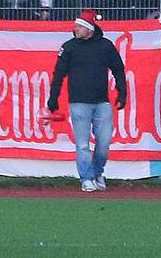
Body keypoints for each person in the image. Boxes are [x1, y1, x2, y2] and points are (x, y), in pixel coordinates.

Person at [47, 12, 128, 192]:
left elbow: (118, 69)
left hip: (102, 102)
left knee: (104, 143)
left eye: (80, 26)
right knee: (82, 144)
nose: (75, 29)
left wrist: (122, 93)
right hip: (79, 103)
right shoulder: (69, 48)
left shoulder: (105, 46)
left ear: (89, 29)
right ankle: (86, 177)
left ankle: (97, 172)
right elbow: (58, 74)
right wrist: (53, 98)